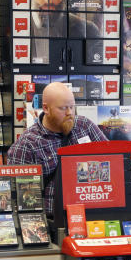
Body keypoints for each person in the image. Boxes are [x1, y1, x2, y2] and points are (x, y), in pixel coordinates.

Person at [7, 82, 107, 217]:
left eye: (72, 107)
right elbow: (19, 197)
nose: (69, 113)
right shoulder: (27, 145)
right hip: (53, 220)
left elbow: (113, 160)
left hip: (92, 213)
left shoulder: (85, 126)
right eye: (63, 108)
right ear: (46, 108)